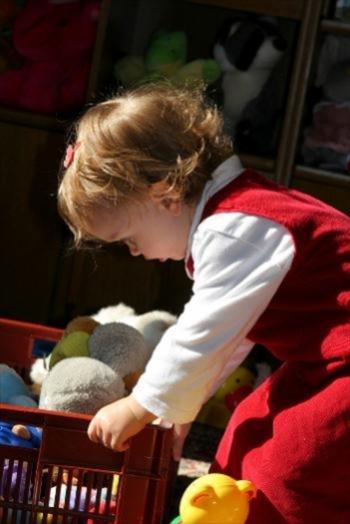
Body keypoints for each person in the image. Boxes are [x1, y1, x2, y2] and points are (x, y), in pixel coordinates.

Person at [57, 83, 350, 524]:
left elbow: (201, 333)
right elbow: (228, 338)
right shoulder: (233, 216)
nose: (135, 253)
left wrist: (142, 404)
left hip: (340, 364)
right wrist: (181, 408)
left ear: (165, 195)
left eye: (129, 239)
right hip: (324, 360)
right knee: (249, 426)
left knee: (290, 469)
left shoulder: (232, 227)